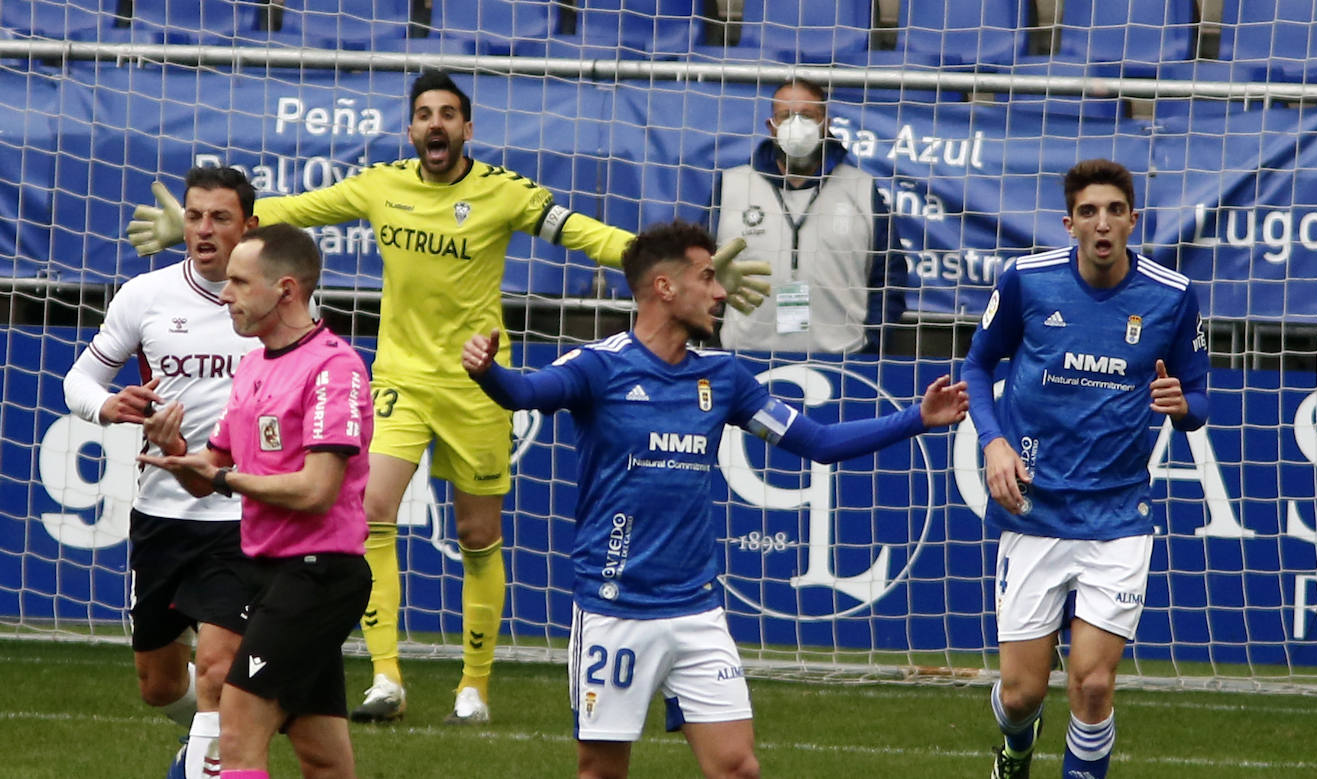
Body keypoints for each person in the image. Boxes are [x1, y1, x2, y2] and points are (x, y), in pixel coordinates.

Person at [126, 70, 771, 725]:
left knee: (476, 534)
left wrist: (678, 269)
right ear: (411, 130)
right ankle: (385, 676)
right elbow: (298, 208)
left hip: (478, 382)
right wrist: (209, 226)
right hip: (400, 379)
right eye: (424, 114)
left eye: (447, 114)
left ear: (467, 128)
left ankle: (473, 686)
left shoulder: (505, 191)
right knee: (373, 511)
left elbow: (586, 234)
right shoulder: (381, 185)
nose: (435, 123)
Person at [461, 221, 967, 779]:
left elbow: (818, 443)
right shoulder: (599, 366)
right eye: (707, 277)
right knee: (601, 772)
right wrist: (489, 372)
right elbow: (525, 393)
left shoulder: (721, 377)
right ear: (665, 287)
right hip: (614, 608)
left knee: (737, 768)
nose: (721, 291)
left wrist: (916, 419)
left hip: (696, 611)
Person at [962, 159, 1210, 779]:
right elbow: (977, 367)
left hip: (1117, 516)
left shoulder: (1172, 296)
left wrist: (1183, 406)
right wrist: (993, 443)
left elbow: (1199, 398)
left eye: (1115, 211)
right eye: (1089, 212)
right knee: (1021, 696)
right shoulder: (1027, 281)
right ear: (1069, 223)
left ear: (1133, 220)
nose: (1103, 223)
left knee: (1093, 685)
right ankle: (1016, 748)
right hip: (1034, 509)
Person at [138, 223, 374, 779]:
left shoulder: (333, 367)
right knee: (322, 757)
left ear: (285, 290)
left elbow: (316, 491)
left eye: (240, 283)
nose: (225, 294)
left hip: (317, 575)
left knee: (237, 735)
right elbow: (209, 475)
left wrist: (224, 479)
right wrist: (178, 451)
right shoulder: (253, 365)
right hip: (267, 571)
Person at [63, 166, 262, 779]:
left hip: (239, 513)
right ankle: (215, 737)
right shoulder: (144, 295)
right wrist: (107, 406)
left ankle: (211, 754)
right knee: (159, 684)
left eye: (220, 217)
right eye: (194, 216)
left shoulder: (273, 301)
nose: (203, 229)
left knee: (218, 670)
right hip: (160, 516)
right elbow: (80, 379)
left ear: (248, 227)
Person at [712, 77, 906, 355]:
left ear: (826, 124)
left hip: (843, 358)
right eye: (786, 115)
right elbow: (701, 269)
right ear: (771, 125)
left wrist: (870, 343)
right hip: (745, 354)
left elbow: (889, 275)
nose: (797, 125)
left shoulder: (861, 187)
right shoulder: (732, 185)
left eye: (807, 115)